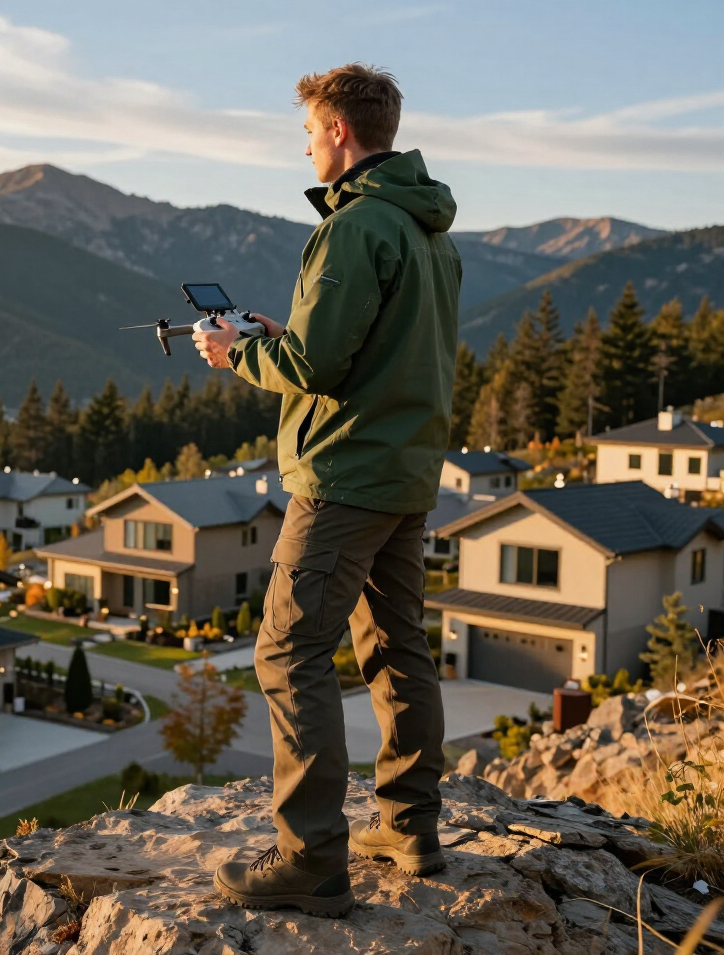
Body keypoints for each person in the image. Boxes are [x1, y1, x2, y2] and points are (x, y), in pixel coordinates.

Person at [194, 63, 461, 918]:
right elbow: (367, 351)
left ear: (340, 132)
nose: (305, 144)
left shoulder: (355, 227)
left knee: (286, 649)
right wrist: (285, 331)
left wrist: (236, 352)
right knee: (395, 644)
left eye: (309, 130)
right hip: (405, 472)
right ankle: (409, 827)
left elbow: (313, 366)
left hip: (344, 477)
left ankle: (310, 858)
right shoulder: (430, 234)